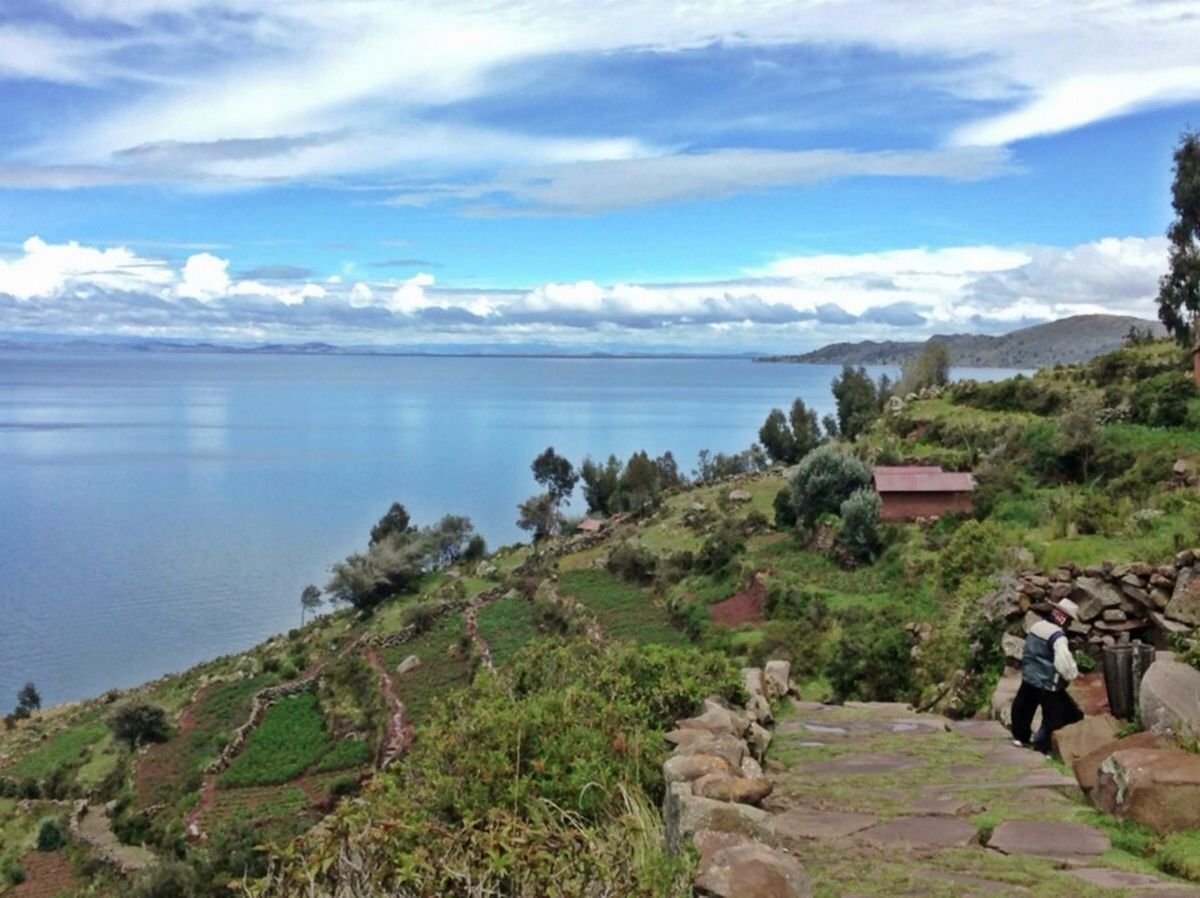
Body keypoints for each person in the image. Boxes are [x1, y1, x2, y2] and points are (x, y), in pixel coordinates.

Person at [1010, 598, 1084, 752]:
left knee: (1023, 707)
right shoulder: (1058, 637)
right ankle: (1042, 745)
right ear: (1063, 618)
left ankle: (1020, 736)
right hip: (1047, 681)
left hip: (1029, 677)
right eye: (1069, 620)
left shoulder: (1036, 627)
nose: (1069, 624)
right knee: (1053, 715)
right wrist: (1071, 674)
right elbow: (1063, 662)